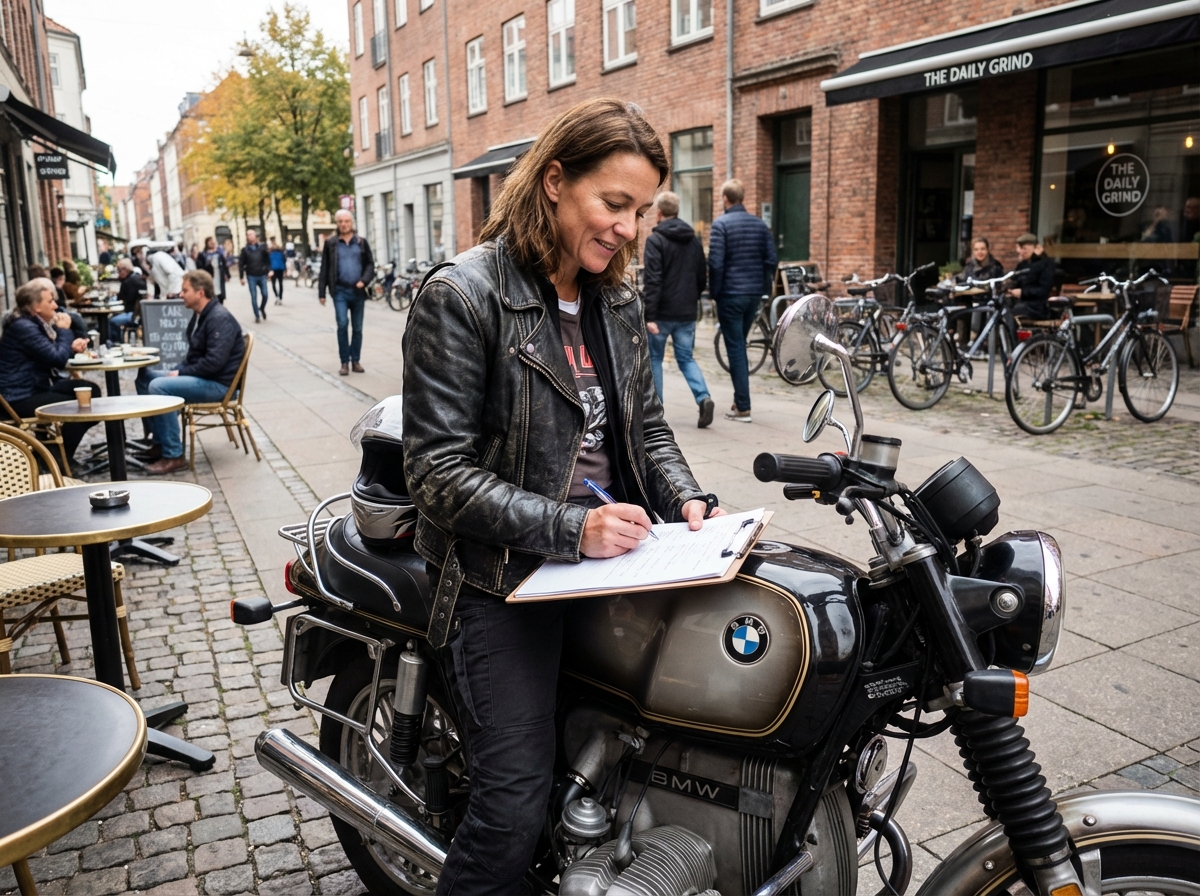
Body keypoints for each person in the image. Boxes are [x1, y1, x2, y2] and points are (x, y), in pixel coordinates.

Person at [402, 97, 725, 895]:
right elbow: (436, 474)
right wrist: (572, 526)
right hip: (497, 581)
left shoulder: (613, 297)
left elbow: (646, 430)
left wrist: (686, 501)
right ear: (553, 181)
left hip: (612, 559)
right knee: (511, 809)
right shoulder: (464, 296)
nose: (628, 228)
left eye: (642, 211)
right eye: (614, 204)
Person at [137, 270, 245, 474]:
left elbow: (214, 363)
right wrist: (180, 370)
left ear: (200, 292)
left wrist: (181, 373)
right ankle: (160, 442)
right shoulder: (202, 315)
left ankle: (173, 454)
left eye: (185, 290)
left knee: (158, 387)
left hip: (220, 385)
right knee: (145, 377)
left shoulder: (219, 318)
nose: (181, 294)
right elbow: (195, 357)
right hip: (206, 378)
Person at [0, 278, 101, 462]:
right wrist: (64, 331)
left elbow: (50, 354)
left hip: (35, 387)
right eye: (50, 301)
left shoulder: (32, 323)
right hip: (18, 397)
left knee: (90, 391)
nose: (55, 305)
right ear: (36, 307)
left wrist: (70, 346)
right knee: (83, 404)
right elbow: (57, 359)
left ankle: (55, 453)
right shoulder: (24, 326)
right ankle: (53, 458)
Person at [642, 190, 714, 427]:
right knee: (686, 358)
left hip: (661, 313)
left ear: (660, 213)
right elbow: (701, 275)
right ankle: (703, 397)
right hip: (686, 311)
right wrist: (692, 298)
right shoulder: (693, 240)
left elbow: (653, 279)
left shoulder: (655, 240)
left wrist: (649, 314)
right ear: (677, 212)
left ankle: (657, 412)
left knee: (655, 359)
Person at [708, 178, 777, 423]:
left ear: (726, 199)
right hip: (753, 295)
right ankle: (740, 401)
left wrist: (714, 293)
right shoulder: (759, 225)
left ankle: (743, 407)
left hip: (730, 295)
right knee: (740, 344)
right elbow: (771, 259)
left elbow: (715, 263)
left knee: (736, 349)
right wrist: (764, 287)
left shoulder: (721, 225)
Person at [318, 210, 373, 376]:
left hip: (358, 291)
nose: (344, 224)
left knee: (357, 328)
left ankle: (355, 360)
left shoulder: (361, 242)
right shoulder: (331, 243)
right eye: (341, 221)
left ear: (352, 223)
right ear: (337, 223)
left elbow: (370, 265)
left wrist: (364, 280)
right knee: (342, 325)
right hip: (340, 290)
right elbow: (325, 268)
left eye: (347, 221)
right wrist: (321, 292)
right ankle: (344, 362)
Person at [1008, 233, 1054, 323]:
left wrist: (1022, 293)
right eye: (1020, 249)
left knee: (1010, 313)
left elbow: (1044, 290)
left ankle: (1010, 337)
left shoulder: (1046, 264)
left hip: (1037, 306)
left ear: (1035, 248)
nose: (1021, 252)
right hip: (1020, 302)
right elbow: (1015, 280)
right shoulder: (1022, 264)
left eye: (1025, 249)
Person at [108, 259, 148, 343]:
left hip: (132, 314)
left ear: (125, 269)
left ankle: (116, 343)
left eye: (119, 270)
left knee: (111, 321)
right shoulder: (137, 278)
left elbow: (123, 299)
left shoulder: (128, 282)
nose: (118, 273)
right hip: (138, 314)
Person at [239, 229, 271, 322]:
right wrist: (242, 277)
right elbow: (241, 264)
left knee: (265, 294)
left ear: (255, 236)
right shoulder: (245, 250)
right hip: (251, 275)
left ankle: (262, 308)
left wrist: (270, 270)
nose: (250, 236)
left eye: (252, 234)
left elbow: (267, 260)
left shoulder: (262, 247)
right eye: (248, 235)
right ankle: (257, 315)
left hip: (262, 274)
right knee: (254, 296)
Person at [196, 236, 230, 303]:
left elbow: (224, 264)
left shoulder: (218, 253)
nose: (211, 243)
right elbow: (199, 267)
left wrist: (227, 275)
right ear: (206, 243)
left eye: (212, 242)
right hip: (208, 276)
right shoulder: (203, 254)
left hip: (218, 275)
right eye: (210, 242)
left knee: (219, 292)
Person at [268, 237, 286, 305]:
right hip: (280, 269)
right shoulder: (281, 251)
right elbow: (284, 260)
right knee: (280, 283)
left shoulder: (270, 252)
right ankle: (280, 297)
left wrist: (269, 270)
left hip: (273, 269)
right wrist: (285, 269)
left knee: (273, 284)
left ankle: (277, 297)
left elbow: (268, 262)